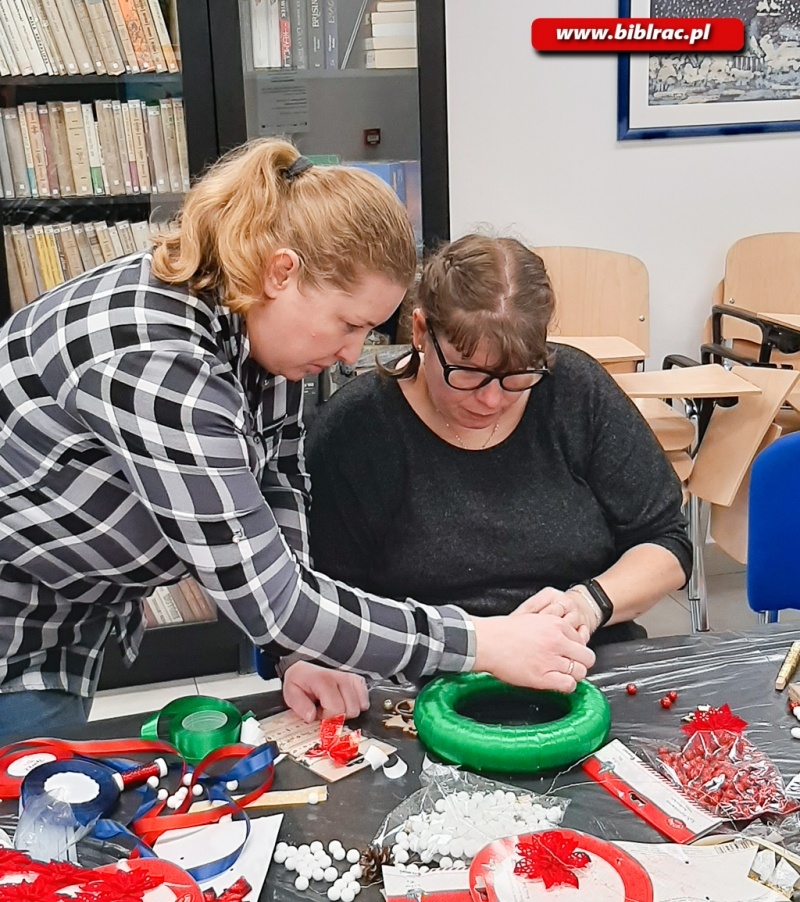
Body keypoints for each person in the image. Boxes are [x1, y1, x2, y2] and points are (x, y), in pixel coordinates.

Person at [0, 144, 594, 739]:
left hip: (66, 620)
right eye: (349, 323)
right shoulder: (157, 361)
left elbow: (278, 480)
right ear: (282, 272)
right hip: (14, 621)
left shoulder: (258, 327)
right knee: (28, 818)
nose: (353, 355)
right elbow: (271, 600)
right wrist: (481, 641)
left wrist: (300, 651)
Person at [307, 234, 691, 649]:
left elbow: (666, 540)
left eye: (517, 375)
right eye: (467, 373)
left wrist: (588, 603)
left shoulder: (575, 391)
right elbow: (328, 606)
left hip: (582, 660)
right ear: (421, 331)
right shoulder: (356, 433)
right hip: (426, 676)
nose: (492, 399)